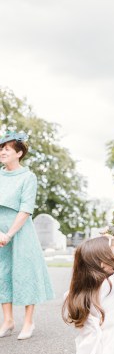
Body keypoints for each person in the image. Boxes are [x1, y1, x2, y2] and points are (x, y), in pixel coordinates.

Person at [0, 130, 54, 340]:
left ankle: (29, 321)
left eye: (7, 149)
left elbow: (25, 209)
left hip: (20, 232)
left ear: (19, 153)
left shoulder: (28, 177)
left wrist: (9, 234)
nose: (2, 152)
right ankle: (8, 321)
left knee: (25, 273)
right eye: (1, 149)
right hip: (0, 234)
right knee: (2, 274)